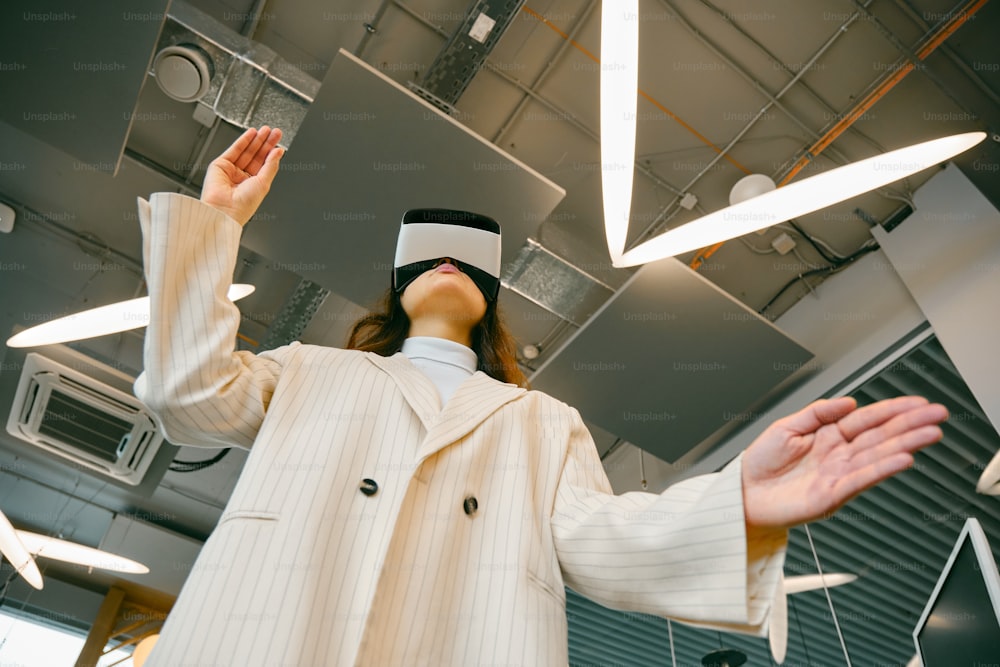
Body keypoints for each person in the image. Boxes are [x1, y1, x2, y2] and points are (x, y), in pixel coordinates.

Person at [133, 126, 948, 666]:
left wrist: (739, 503)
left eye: (467, 265)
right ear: (395, 291)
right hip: (267, 635)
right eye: (423, 262)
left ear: (493, 301)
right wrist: (217, 223)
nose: (444, 266)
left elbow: (599, 536)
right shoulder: (308, 368)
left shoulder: (542, 420)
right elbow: (188, 392)